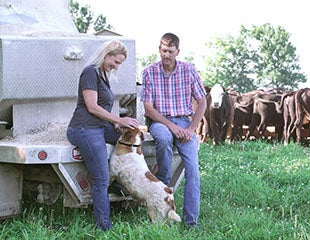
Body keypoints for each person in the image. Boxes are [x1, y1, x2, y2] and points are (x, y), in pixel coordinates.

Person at [66, 39, 139, 231]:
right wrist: (119, 119)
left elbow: (103, 111)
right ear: (106, 55)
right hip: (84, 128)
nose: (116, 66)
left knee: (129, 139)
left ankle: (120, 182)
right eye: (115, 61)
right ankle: (103, 226)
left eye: (119, 64)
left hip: (98, 127)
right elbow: (92, 107)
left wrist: (116, 123)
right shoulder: (90, 72)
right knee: (100, 178)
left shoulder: (103, 75)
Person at [141, 32, 207, 229]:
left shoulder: (189, 70)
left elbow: (202, 101)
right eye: (163, 50)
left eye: (170, 51)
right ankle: (164, 181)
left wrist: (191, 129)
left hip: (185, 122)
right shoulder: (149, 72)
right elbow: (148, 108)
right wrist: (172, 127)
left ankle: (191, 222)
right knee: (162, 138)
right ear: (159, 50)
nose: (166, 55)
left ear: (178, 51)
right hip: (160, 121)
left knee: (193, 173)